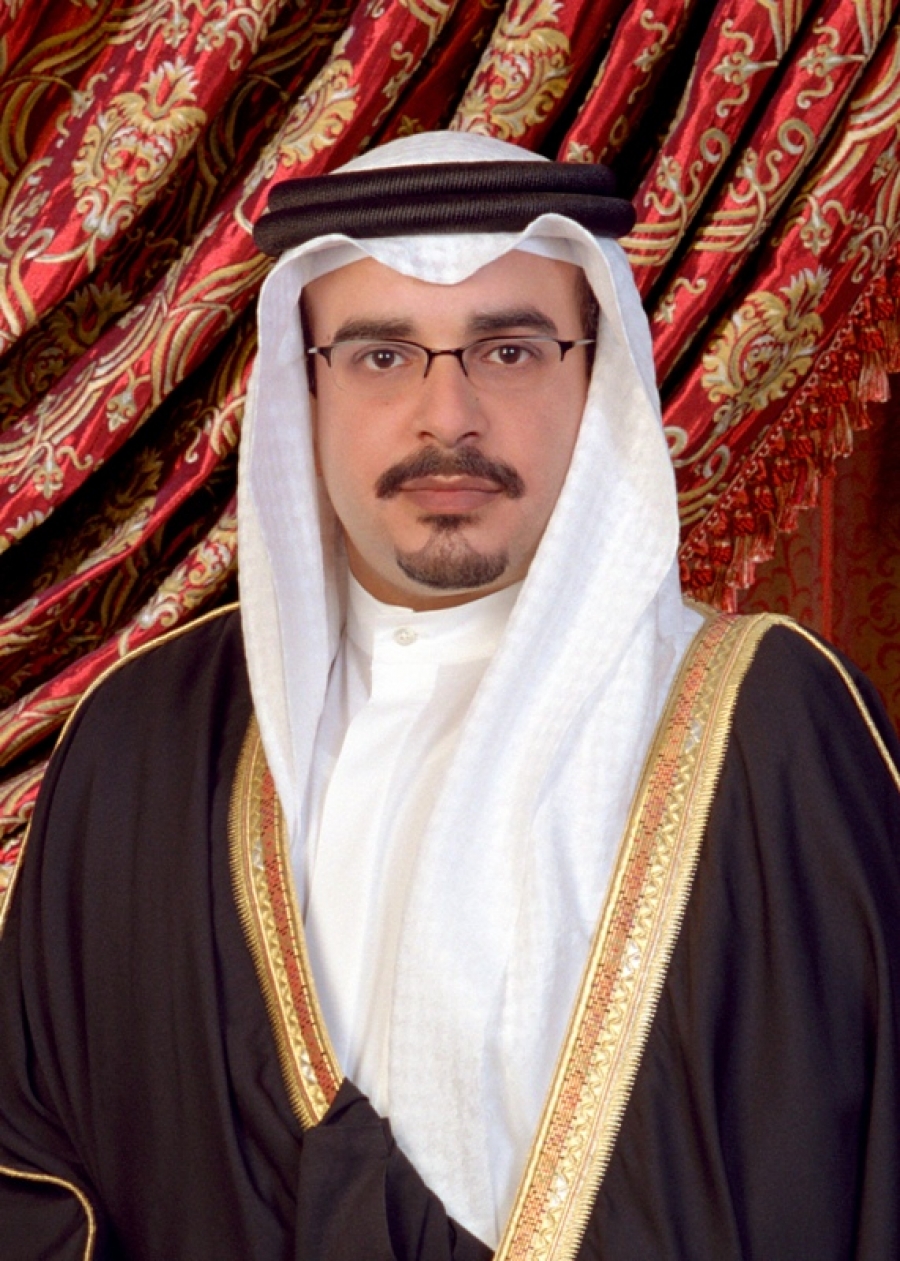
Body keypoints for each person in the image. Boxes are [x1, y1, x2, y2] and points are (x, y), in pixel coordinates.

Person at [1, 131, 900, 1260]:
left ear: (595, 376)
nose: (448, 417)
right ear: (304, 385)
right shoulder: (144, 741)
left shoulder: (770, 728)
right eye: (382, 355)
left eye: (509, 350)